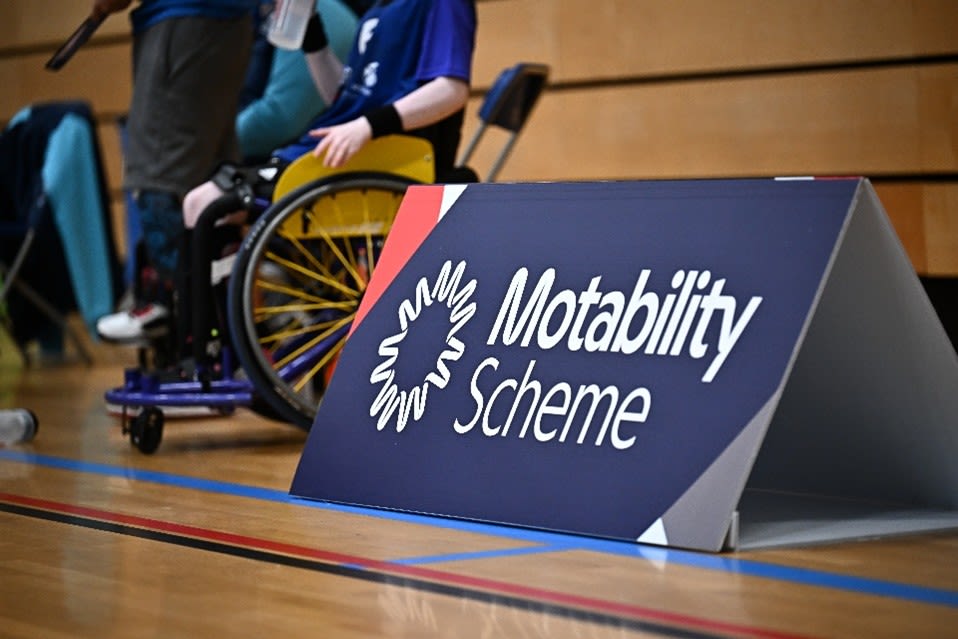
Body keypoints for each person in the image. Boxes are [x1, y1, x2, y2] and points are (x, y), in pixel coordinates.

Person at [99, 0, 478, 349]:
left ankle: (214, 350)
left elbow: (450, 89)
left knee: (207, 204)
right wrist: (312, 36)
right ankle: (224, 348)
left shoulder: (440, 3)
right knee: (201, 203)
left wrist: (367, 126)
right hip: (341, 150)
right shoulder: (379, 9)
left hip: (382, 156)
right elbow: (341, 99)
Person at [92, 0, 259, 343]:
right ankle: (223, 329)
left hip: (184, 21)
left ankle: (170, 307)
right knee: (213, 175)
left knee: (158, 168)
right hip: (221, 25)